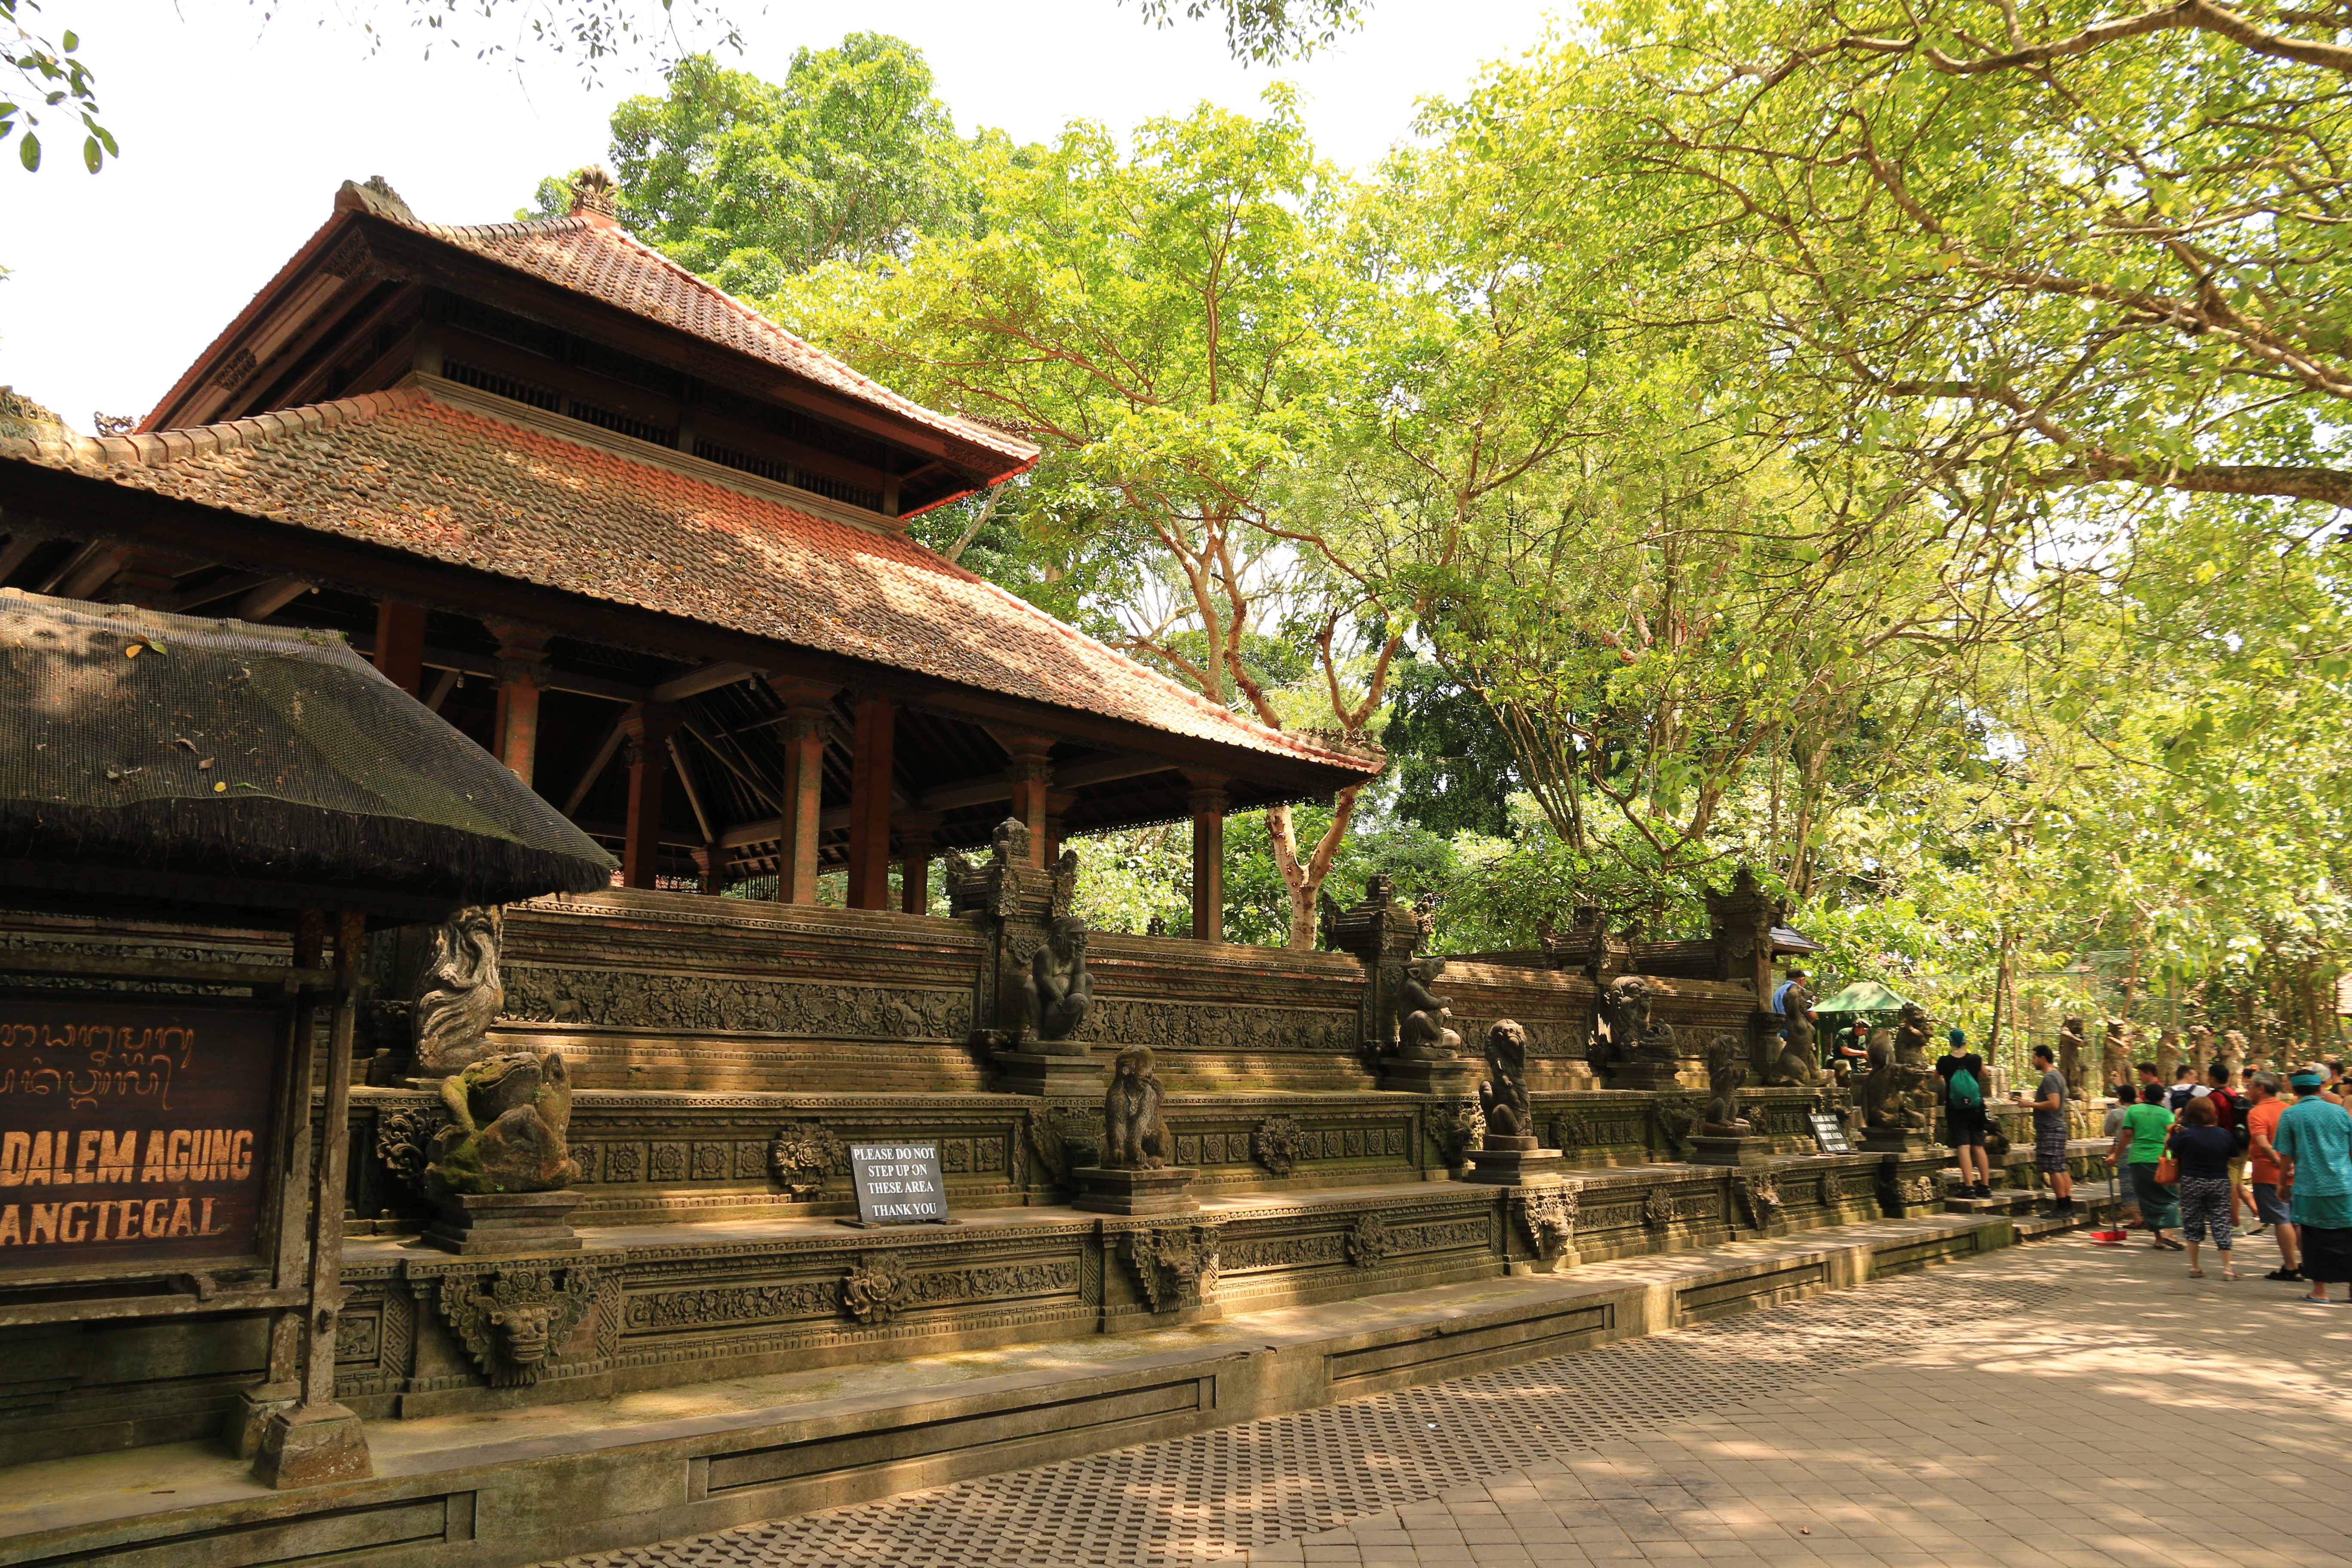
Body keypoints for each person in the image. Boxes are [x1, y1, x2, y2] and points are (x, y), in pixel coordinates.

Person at [2274, 1064, 2352, 1305]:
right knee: (2348, 1235)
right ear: (2321, 1087)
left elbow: (2286, 1154)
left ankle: (2320, 1291)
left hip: (2310, 1187)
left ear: (2296, 1090)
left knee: (2313, 1238)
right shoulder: (2339, 1112)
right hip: (2343, 1184)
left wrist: (2282, 1184)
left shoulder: (2291, 1114)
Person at [2166, 1095, 2239, 1280]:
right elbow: (2234, 1157)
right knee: (2221, 1221)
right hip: (2219, 1181)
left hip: (2192, 1181)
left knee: (2193, 1221)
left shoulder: (2186, 1135)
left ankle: (2195, 1266)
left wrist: (2174, 1125)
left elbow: (2169, 1145)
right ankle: (2228, 1268)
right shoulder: (2225, 1135)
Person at [2246, 1071, 2300, 1282]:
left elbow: (2262, 1143)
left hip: (2271, 1174)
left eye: (2250, 1086)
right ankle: (2308, 1264)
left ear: (2261, 1088)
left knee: (2282, 1219)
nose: (2248, 1090)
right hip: (2295, 1171)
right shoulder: (2289, 1110)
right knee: (2297, 1220)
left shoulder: (2257, 1112)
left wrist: (2281, 1165)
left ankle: (2291, 1266)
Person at [2113, 1083, 2182, 1250]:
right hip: (2161, 1159)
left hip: (2138, 1160)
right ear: (2161, 1098)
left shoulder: (2134, 1111)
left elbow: (2127, 1134)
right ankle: (2167, 1232)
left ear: (2145, 1096)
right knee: (2169, 1196)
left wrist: (2116, 1155)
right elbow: (2171, 1138)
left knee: (2147, 1198)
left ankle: (2158, 1239)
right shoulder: (2167, 1115)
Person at [1937, 1028, 1994, 1199]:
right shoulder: (1975, 1059)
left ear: (1951, 1043)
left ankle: (1968, 1187)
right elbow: (1986, 1075)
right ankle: (1985, 1186)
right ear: (1965, 1043)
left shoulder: (1944, 1061)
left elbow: (1935, 1078)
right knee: (1979, 1145)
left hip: (1956, 1109)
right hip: (1976, 1109)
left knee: (1963, 1146)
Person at [2205, 1061, 2254, 1230]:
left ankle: (2235, 1224)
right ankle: (2255, 1213)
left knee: (2231, 1185)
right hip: (2242, 1144)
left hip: (2227, 1146)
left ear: (2212, 1077)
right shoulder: (2233, 1094)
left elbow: (2210, 1121)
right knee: (2237, 1182)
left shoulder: (2214, 1097)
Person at [2026, 1043, 2073, 1215]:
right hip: (2057, 1127)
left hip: (2050, 1129)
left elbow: (2054, 1104)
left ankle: (2062, 1205)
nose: (2033, 1061)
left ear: (2042, 1058)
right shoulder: (2058, 1076)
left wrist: (2030, 1104)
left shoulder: (2050, 1078)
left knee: (2054, 1168)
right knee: (2060, 1167)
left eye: (2034, 1058)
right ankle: (2068, 1205)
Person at [2103, 1084, 2140, 1225]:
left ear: (2120, 1097)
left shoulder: (2117, 1113)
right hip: (2140, 1148)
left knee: (2128, 1184)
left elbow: (2108, 1131)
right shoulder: (2139, 1111)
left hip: (2123, 1150)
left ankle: (2137, 1218)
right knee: (2140, 1184)